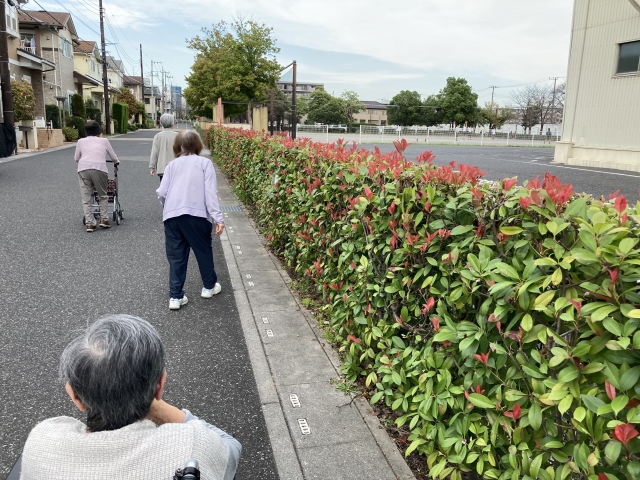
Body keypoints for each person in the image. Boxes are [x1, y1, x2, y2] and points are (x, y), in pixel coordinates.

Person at [20, 314, 241, 480]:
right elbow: (231, 447)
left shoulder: (41, 442)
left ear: (74, 395)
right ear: (160, 386)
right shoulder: (194, 447)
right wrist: (156, 404)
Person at [157, 131, 225, 310]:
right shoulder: (204, 163)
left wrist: (169, 205)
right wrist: (218, 218)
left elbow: (162, 192)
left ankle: (175, 297)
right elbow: (210, 193)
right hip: (197, 214)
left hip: (172, 215)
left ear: (177, 145)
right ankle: (209, 287)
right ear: (197, 145)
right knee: (203, 251)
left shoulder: (171, 165)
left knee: (176, 256)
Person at [74, 120, 119, 232]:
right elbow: (113, 156)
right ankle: (104, 219)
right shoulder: (104, 141)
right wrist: (116, 161)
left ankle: (90, 223)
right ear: (98, 131)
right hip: (99, 169)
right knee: (102, 195)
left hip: (83, 169)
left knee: (86, 198)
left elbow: (76, 158)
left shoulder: (80, 141)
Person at [149, 114, 179, 181]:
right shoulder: (177, 136)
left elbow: (154, 153)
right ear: (172, 123)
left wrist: (152, 167)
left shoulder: (157, 136)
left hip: (162, 168)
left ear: (161, 123)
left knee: (163, 186)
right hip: (175, 168)